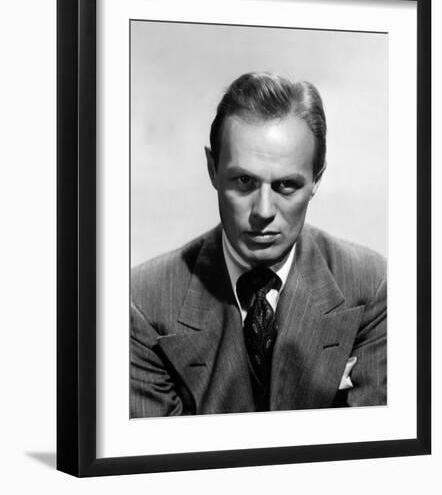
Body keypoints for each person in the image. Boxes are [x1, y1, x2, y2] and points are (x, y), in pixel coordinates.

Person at [130, 72, 387, 417]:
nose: (263, 211)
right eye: (244, 181)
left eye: (286, 185)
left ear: (316, 180)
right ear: (212, 169)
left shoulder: (371, 287)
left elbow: (374, 445)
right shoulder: (141, 302)